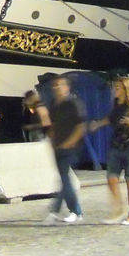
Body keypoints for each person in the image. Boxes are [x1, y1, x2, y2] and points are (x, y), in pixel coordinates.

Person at [89, 76, 129, 225]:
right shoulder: (116, 104)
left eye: (118, 88)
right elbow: (110, 119)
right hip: (116, 144)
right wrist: (97, 124)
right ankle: (118, 208)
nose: (115, 90)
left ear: (126, 90)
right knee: (111, 178)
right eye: (115, 87)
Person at [44, 76, 85, 223]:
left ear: (67, 87)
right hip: (58, 146)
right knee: (63, 179)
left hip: (71, 147)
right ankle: (74, 211)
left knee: (64, 179)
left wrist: (69, 143)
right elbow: (53, 124)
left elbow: (81, 126)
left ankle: (68, 211)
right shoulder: (54, 104)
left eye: (60, 85)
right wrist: (52, 139)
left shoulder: (74, 104)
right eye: (54, 86)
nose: (56, 88)